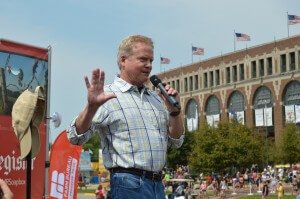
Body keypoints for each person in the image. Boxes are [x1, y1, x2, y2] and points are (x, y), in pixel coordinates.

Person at [67, 35, 184, 199]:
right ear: (123, 60)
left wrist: (175, 112)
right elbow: (75, 137)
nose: (149, 66)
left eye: (151, 60)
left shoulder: (157, 98)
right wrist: (91, 108)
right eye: (143, 59)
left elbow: (176, 142)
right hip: (128, 186)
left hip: (158, 186)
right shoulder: (107, 96)